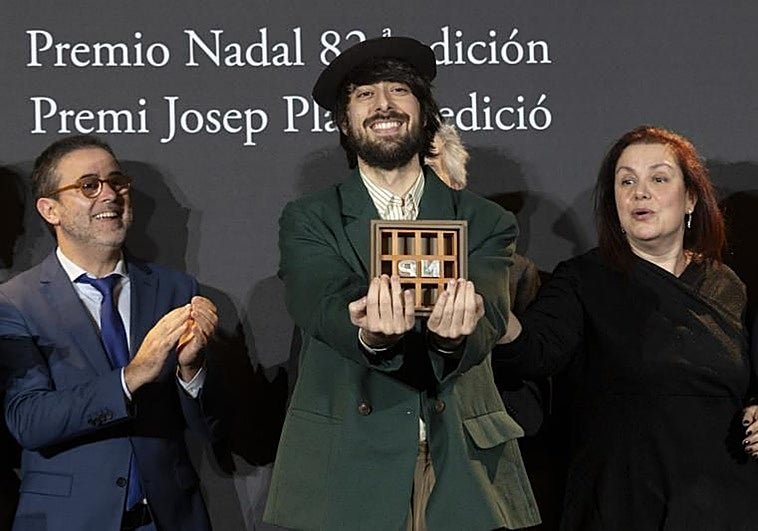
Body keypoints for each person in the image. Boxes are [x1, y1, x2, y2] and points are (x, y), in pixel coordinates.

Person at [264, 37, 540, 531]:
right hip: (349, 461)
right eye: (364, 95)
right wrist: (369, 334)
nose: (383, 105)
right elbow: (319, 300)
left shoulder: (486, 220)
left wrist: (452, 340)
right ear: (345, 122)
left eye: (398, 90)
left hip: (459, 458)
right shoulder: (308, 217)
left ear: (424, 111)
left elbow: (490, 317)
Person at [494, 125, 758, 530]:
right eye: (626, 181)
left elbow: (748, 380)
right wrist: (490, 315)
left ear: (690, 198)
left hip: (724, 507)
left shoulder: (726, 284)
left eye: (658, 179)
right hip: (621, 505)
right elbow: (534, 350)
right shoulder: (582, 280)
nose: (640, 193)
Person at [0, 135, 218, 531]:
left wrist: (191, 371)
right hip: (69, 521)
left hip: (170, 518)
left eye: (117, 182)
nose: (110, 195)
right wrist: (132, 375)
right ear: (50, 209)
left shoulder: (175, 289)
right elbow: (29, 421)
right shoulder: (15, 302)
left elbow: (210, 430)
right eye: (89, 185)